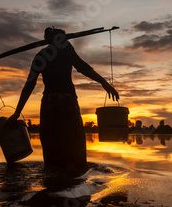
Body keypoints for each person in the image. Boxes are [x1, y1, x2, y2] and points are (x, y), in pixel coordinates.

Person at [7, 27, 119, 175]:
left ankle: (54, 183)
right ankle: (70, 182)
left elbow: (29, 86)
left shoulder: (40, 56)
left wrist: (17, 112)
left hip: (49, 104)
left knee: (53, 148)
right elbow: (82, 67)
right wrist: (103, 82)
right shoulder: (66, 49)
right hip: (67, 103)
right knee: (73, 147)